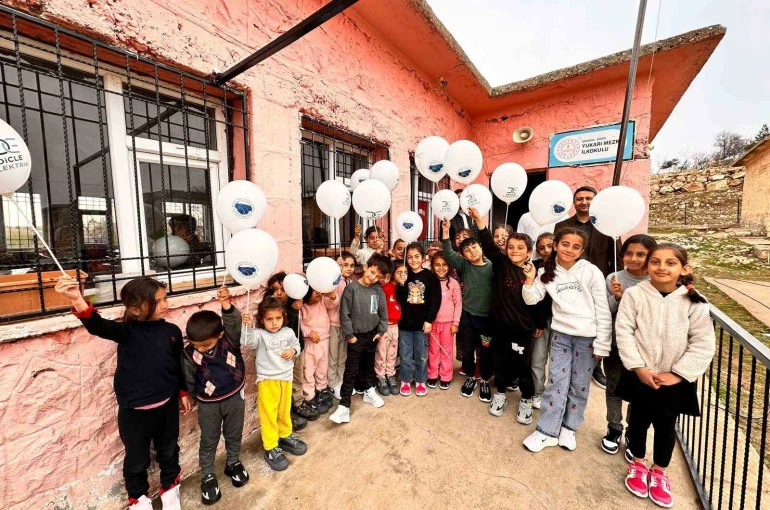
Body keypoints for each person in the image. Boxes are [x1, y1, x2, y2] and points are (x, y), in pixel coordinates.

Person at [54, 275, 191, 510]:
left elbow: (176, 364)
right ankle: (139, 500)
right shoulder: (125, 332)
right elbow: (96, 325)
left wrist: (181, 392)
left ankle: (170, 492)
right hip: (134, 411)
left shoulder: (171, 331)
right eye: (158, 301)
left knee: (169, 451)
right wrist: (77, 298)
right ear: (136, 310)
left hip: (167, 405)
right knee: (137, 461)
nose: (165, 305)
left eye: (164, 298)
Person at [616, 243, 715, 508]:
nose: (661, 267)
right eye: (655, 262)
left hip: (672, 379)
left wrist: (679, 374)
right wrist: (638, 367)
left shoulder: (694, 302)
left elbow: (702, 342)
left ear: (684, 268)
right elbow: (624, 331)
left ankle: (659, 470)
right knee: (637, 421)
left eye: (670, 263)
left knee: (666, 425)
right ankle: (637, 463)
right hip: (641, 374)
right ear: (647, 266)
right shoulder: (635, 295)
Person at [521, 228, 611, 453]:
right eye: (565, 244)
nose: (569, 250)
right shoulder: (546, 271)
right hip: (561, 335)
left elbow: (603, 309)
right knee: (557, 382)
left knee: (579, 384)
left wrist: (602, 343)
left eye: (575, 246)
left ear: (581, 250)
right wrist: (530, 280)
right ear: (555, 246)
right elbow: (531, 300)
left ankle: (569, 427)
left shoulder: (590, 272)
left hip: (587, 337)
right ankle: (547, 431)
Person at [471, 208, 546, 420]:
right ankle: (501, 394)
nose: (514, 250)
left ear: (529, 252)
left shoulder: (534, 271)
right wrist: (479, 222)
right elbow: (487, 243)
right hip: (499, 326)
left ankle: (526, 399)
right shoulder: (501, 263)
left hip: (522, 328)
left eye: (520, 248)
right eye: (511, 247)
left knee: (523, 366)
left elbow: (539, 302)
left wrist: (538, 323)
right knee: (500, 363)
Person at [182, 288, 249, 504]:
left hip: (234, 398)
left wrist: (227, 304)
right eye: (196, 345)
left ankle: (233, 463)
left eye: (206, 345)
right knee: (209, 440)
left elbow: (233, 322)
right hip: (208, 405)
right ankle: (208, 476)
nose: (201, 349)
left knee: (234, 433)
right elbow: (189, 379)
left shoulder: (229, 340)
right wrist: (194, 397)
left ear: (218, 336)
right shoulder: (189, 354)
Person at [554, 186, 622, 391]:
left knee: (598, 321)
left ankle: (594, 366)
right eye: (579, 199)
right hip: (569, 283)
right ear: (573, 202)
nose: (584, 202)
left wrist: (614, 280)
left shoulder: (607, 225)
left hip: (598, 282)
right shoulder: (562, 225)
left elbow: (616, 257)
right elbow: (555, 252)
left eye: (588, 198)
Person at [601, 234, 657, 460]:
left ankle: (635, 432)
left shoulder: (657, 280)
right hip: (617, 344)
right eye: (628, 253)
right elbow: (607, 312)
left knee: (639, 392)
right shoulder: (613, 278)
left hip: (644, 347)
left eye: (641, 254)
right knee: (613, 387)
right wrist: (616, 297)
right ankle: (614, 427)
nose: (633, 259)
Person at [242, 297, 308, 471]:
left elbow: (297, 345)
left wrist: (293, 350)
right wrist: (247, 326)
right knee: (269, 413)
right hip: (268, 380)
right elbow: (247, 342)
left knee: (284, 409)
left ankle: (285, 435)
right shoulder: (259, 335)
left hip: (286, 378)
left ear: (284, 317)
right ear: (262, 320)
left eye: (278, 318)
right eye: (269, 319)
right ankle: (271, 446)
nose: (274, 323)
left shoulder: (288, 332)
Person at [329, 255, 390, 423]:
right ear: (365, 267)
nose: (373, 277)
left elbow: (383, 312)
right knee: (351, 370)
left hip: (372, 336)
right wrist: (350, 336)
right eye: (372, 272)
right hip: (356, 337)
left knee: (368, 365)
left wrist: (381, 330)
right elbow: (345, 314)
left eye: (377, 276)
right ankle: (344, 406)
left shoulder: (377, 290)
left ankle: (369, 391)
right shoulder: (352, 289)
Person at [440, 218, 494, 402]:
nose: (471, 251)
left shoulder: (493, 267)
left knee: (485, 351)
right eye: (466, 250)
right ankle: (470, 377)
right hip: (468, 316)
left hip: (487, 320)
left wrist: (480, 221)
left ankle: (485, 379)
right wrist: (446, 232)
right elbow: (448, 253)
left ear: (481, 247)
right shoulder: (465, 266)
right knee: (469, 349)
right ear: (463, 255)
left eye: (474, 247)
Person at [264, 272, 316, 427]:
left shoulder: (295, 302)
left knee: (298, 378)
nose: (279, 293)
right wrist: (292, 310)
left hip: (296, 349)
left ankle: (298, 404)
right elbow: (281, 329)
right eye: (275, 289)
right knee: (284, 384)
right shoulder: (271, 309)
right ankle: (286, 412)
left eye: (283, 289)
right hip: (281, 354)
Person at [395, 243, 441, 397]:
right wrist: (401, 284)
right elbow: (400, 299)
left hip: (422, 325)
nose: (413, 260)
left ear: (423, 257)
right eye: (409, 257)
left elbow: (435, 300)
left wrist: (429, 320)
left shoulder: (430, 277)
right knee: (405, 354)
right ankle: (406, 379)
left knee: (421, 354)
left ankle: (421, 380)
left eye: (416, 256)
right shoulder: (404, 274)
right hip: (405, 324)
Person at [428, 251, 461, 389]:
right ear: (432, 266)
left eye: (444, 265)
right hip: (432, 324)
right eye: (437, 265)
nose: (441, 268)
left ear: (449, 266)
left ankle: (446, 375)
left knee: (446, 351)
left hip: (448, 324)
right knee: (433, 350)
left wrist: (455, 323)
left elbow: (458, 304)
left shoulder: (453, 283)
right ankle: (432, 374)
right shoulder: (429, 281)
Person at [530, 232, 555, 410]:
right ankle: (538, 391)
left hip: (563, 321)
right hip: (542, 321)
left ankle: (555, 394)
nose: (546, 250)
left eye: (550, 245)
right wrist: (538, 322)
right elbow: (536, 300)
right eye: (541, 247)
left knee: (558, 361)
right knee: (537, 358)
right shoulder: (535, 267)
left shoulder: (570, 267)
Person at [300, 286, 333, 415]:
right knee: (308, 370)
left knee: (322, 368)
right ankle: (309, 396)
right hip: (310, 342)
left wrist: (333, 296)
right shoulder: (302, 306)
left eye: (319, 289)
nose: (318, 293)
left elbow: (333, 305)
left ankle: (322, 389)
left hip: (324, 340)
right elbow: (299, 324)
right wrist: (309, 332)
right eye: (314, 291)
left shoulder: (322, 301)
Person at [327, 252, 356, 399]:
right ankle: (332, 384)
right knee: (333, 355)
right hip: (333, 324)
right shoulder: (335, 282)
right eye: (345, 265)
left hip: (346, 325)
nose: (349, 268)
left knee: (343, 356)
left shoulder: (349, 282)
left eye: (352, 265)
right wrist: (334, 298)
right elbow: (330, 305)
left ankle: (340, 381)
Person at [376, 257, 402, 396]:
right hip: (384, 326)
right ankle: (380, 377)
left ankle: (390, 374)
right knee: (381, 352)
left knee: (392, 352)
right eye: (398, 273)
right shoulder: (384, 288)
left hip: (396, 326)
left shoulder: (402, 288)